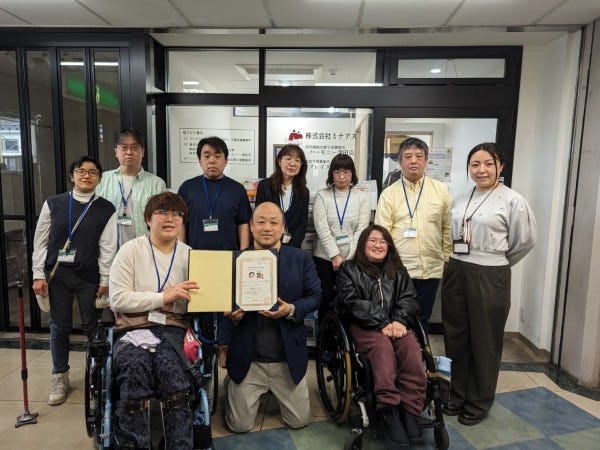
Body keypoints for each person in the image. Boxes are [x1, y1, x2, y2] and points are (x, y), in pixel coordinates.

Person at [441, 142, 536, 426]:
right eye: (475, 164)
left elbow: (524, 241)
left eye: (488, 164)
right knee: (456, 336)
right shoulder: (461, 198)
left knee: (485, 340)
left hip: (491, 273)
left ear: (500, 166)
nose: (481, 170)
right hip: (457, 268)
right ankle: (458, 393)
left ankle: (479, 401)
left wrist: (495, 263)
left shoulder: (512, 200)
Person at [109, 191, 198, 449]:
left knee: (172, 368)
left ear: (183, 221)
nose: (170, 218)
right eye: (162, 212)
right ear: (148, 219)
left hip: (173, 328)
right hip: (132, 328)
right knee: (133, 365)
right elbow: (118, 299)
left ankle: (180, 443)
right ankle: (134, 443)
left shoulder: (191, 255)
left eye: (177, 214)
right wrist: (162, 297)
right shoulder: (130, 251)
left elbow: (200, 301)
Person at [224, 202, 321, 433]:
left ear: (283, 227)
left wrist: (291, 309)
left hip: (286, 360)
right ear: (251, 226)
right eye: (261, 222)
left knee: (299, 421)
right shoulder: (236, 259)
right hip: (250, 361)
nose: (267, 227)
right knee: (239, 426)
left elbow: (316, 296)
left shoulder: (300, 259)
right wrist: (232, 315)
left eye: (273, 222)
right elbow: (222, 301)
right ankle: (233, 383)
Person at [32, 156, 117, 405]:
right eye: (81, 171)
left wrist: (105, 279)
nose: (86, 175)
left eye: (93, 172)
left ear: (99, 179)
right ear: (72, 176)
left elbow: (108, 247)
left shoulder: (106, 208)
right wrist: (38, 274)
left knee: (92, 327)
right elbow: (40, 241)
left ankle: (97, 376)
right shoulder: (54, 203)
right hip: (58, 275)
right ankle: (60, 376)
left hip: (89, 276)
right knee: (59, 326)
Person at [336, 224, 427, 447]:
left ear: (389, 246)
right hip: (364, 325)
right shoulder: (349, 269)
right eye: (372, 240)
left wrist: (399, 320)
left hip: (395, 324)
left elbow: (409, 298)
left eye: (383, 241)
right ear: (362, 244)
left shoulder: (398, 270)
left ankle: (411, 408)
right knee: (382, 348)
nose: (378, 245)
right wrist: (381, 321)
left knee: (411, 347)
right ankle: (389, 409)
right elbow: (350, 302)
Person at [177, 136, 252, 367]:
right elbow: (181, 223)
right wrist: (182, 252)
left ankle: (224, 347)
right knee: (201, 304)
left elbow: (243, 223)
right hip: (197, 258)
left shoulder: (236, 189)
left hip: (228, 258)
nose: (212, 161)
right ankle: (205, 346)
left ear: (225, 160)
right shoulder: (187, 187)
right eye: (207, 156)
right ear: (199, 160)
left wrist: (243, 255)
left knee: (226, 305)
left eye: (217, 156)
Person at [375, 137, 451, 330]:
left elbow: (447, 227)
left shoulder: (441, 191)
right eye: (408, 156)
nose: (413, 161)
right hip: (398, 270)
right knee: (397, 319)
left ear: (426, 160)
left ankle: (419, 349)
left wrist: (447, 256)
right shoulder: (389, 194)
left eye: (419, 156)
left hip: (430, 267)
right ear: (400, 162)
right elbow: (382, 232)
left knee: (422, 318)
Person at [313, 154, 370, 316]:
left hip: (352, 260)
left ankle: (346, 333)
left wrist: (348, 259)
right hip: (325, 258)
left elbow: (361, 230)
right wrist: (335, 255)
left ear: (352, 174)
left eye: (346, 172)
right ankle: (325, 332)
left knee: (349, 303)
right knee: (326, 302)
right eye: (337, 172)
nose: (342, 177)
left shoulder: (361, 197)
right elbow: (322, 228)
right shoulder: (322, 195)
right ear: (331, 174)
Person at [96, 128, 166, 248]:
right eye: (124, 147)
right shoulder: (102, 180)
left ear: (142, 151)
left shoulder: (156, 184)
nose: (129, 152)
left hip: (144, 248)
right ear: (116, 151)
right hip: (109, 250)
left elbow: (161, 220)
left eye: (134, 147)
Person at [255, 144, 309, 248]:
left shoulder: (303, 191)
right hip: (267, 245)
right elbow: (258, 218)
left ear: (301, 165)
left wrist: (290, 248)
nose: (292, 163)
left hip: (293, 247)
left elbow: (302, 224)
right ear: (279, 162)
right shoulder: (265, 186)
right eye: (288, 159)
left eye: (297, 160)